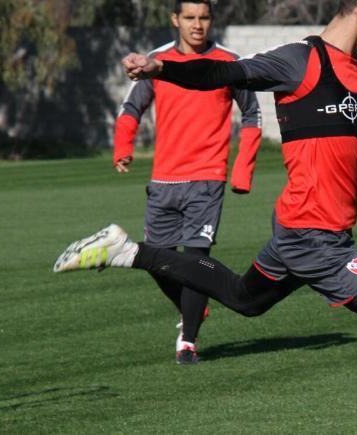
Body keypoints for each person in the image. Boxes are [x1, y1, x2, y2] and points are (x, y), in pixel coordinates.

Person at [55, 1, 357, 433]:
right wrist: (161, 67)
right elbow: (221, 75)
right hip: (316, 240)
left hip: (304, 233)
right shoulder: (298, 61)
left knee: (244, 300)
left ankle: (127, 250)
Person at [113, 0, 262, 364]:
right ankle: (193, 306)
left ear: (211, 20)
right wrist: (123, 145)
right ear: (175, 20)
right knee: (157, 259)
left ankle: (188, 342)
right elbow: (132, 107)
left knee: (196, 259)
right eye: (190, 18)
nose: (198, 25)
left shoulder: (229, 63)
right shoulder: (158, 60)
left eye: (204, 18)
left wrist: (242, 170)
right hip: (163, 180)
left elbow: (253, 114)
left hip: (207, 179)